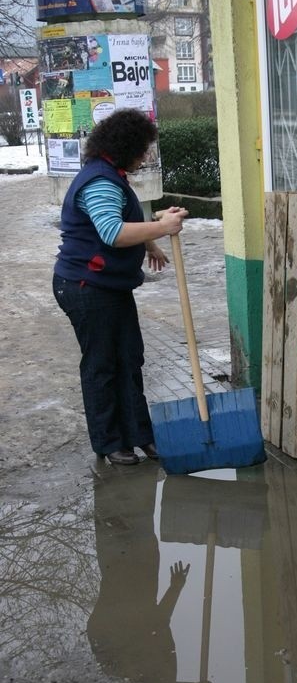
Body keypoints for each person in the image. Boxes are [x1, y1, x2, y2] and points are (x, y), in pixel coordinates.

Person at [53, 108, 188, 466]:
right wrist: (162, 229)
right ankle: (111, 442)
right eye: (142, 148)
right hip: (86, 286)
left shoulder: (111, 175)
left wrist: (150, 242)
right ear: (125, 145)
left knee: (129, 358)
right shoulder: (99, 180)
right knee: (102, 364)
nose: (145, 155)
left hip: (107, 285)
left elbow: (123, 218)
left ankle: (139, 435)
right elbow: (112, 232)